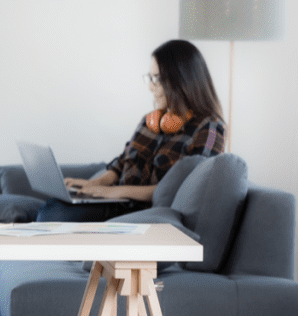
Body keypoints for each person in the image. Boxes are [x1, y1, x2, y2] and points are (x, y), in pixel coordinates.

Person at [36, 39, 226, 222]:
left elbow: (185, 188)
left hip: (140, 212)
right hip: (116, 201)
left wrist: (116, 192)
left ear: (183, 81)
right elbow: (122, 163)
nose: (151, 87)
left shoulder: (209, 128)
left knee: (54, 214)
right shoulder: (150, 121)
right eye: (150, 78)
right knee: (50, 207)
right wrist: (95, 184)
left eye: (157, 79)